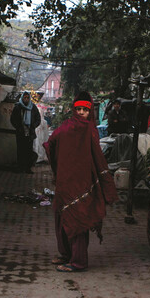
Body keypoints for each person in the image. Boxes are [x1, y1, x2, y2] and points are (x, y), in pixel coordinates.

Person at [43, 92, 118, 272]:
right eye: (79, 109)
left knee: (78, 221)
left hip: (83, 183)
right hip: (65, 182)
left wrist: (102, 179)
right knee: (62, 217)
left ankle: (78, 262)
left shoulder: (89, 130)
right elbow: (50, 143)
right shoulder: (68, 126)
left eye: (85, 109)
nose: (82, 113)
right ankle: (66, 254)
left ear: (90, 110)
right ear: (74, 109)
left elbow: (97, 157)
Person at [10, 91, 41, 173]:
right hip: (21, 132)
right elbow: (13, 119)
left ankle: (28, 168)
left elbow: (38, 119)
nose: (26, 99)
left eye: (27, 97)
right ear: (22, 98)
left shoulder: (33, 107)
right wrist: (18, 127)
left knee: (29, 150)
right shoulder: (18, 107)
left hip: (30, 132)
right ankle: (20, 167)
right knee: (20, 150)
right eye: (25, 97)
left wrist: (33, 126)